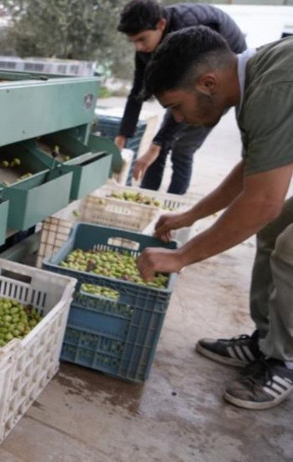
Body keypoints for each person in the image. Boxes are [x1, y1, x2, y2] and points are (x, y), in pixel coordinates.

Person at [137, 26, 293, 410]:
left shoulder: (272, 88)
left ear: (207, 83)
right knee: (273, 231)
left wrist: (181, 256)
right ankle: (267, 341)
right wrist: (191, 215)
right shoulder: (256, 78)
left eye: (176, 106)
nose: (178, 118)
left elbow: (263, 201)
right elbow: (255, 169)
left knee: (290, 247)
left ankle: (285, 360)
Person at [115, 0, 245, 194]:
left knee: (182, 148)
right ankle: (147, 195)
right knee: (159, 145)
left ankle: (173, 202)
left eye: (142, 39)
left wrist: (158, 143)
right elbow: (137, 92)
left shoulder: (190, 32)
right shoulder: (145, 48)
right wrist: (123, 134)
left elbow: (192, 90)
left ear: (161, 24)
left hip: (220, 83)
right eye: (133, 42)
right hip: (191, 82)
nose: (138, 47)